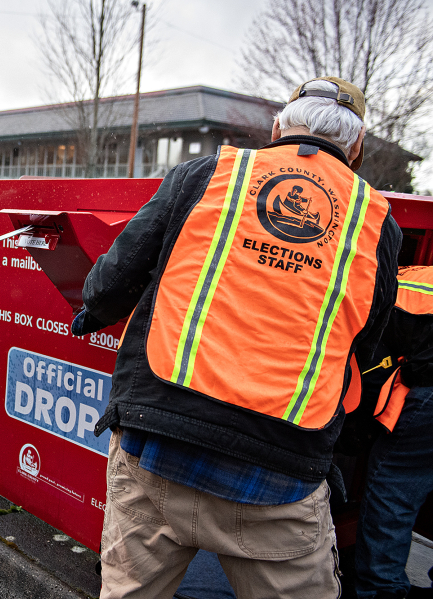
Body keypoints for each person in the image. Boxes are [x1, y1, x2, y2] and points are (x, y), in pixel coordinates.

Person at [71, 77, 401, 598]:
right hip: (281, 476)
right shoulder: (376, 221)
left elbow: (111, 282)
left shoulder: (208, 174)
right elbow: (364, 343)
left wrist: (92, 311)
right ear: (356, 148)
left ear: (277, 128)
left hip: (160, 445)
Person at [354, 266, 433, 599]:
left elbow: (368, 373)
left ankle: (381, 589)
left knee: (391, 490)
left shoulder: (387, 285)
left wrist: (356, 435)